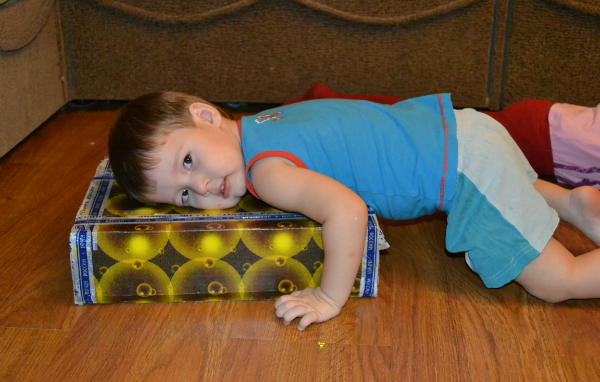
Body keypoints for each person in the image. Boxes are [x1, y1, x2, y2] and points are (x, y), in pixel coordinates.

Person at [108, 91, 600, 331]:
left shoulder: (265, 171)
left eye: (188, 161)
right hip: (465, 128)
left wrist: (328, 297)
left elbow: (347, 210)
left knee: (557, 281)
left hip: (464, 170)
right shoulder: (265, 120)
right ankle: (571, 203)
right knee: (516, 192)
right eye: (185, 196)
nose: (201, 186)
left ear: (205, 115)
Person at [286, 84, 600, 189]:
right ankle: (326, 103)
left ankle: (328, 104)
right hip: (539, 136)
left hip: (544, 135)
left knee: (424, 128)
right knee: (424, 130)